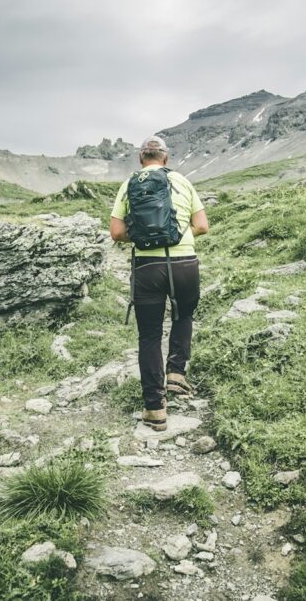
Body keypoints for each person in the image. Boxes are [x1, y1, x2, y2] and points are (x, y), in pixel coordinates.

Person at [109, 135, 209, 431]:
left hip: (147, 266)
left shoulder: (129, 184)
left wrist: (142, 236)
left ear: (141, 158)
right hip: (184, 264)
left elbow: (116, 232)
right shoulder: (182, 181)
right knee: (183, 315)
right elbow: (202, 226)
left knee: (150, 335)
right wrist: (178, 235)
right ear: (165, 158)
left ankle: (155, 409)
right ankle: (176, 374)